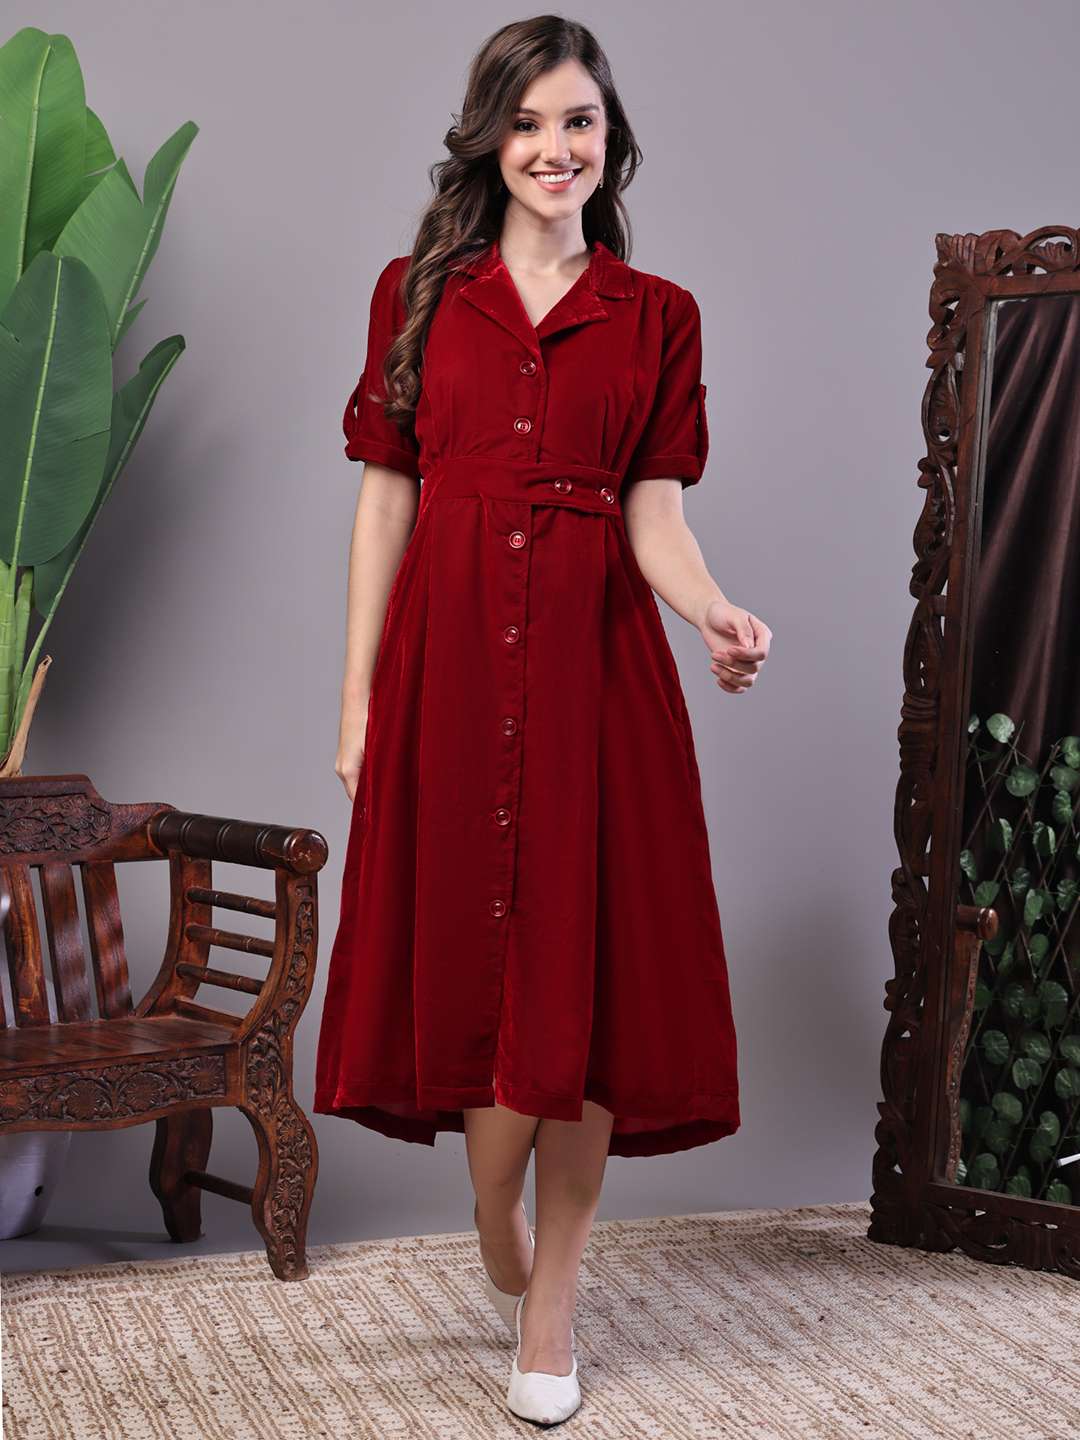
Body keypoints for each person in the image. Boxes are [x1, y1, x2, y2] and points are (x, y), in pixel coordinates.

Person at [313, 14, 772, 1426]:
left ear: (609, 141)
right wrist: (358, 697)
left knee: (588, 974)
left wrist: (714, 612)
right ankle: (492, 1210)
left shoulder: (657, 316)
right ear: (488, 140)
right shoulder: (418, 296)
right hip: (446, 672)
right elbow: (386, 499)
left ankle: (553, 1298)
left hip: (597, 678)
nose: (552, 148)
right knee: (469, 957)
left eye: (578, 121)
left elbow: (654, 516)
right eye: (526, 123)